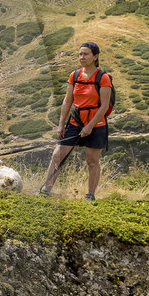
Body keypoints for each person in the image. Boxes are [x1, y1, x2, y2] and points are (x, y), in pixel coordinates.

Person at [40, 40, 114, 198]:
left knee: (92, 161)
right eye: (80, 54)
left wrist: (89, 127)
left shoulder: (103, 78)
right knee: (57, 155)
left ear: (95, 57)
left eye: (86, 54)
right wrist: (61, 125)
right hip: (75, 122)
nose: (82, 57)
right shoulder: (74, 76)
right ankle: (46, 189)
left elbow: (104, 106)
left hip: (97, 124)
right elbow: (67, 101)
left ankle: (90, 195)